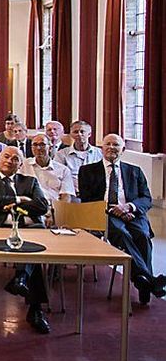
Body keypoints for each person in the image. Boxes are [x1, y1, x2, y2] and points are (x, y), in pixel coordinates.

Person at [78, 134, 164, 304]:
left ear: (123, 150)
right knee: (121, 234)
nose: (111, 147)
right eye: (107, 144)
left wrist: (129, 207)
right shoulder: (87, 171)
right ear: (101, 148)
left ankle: (142, 281)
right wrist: (113, 209)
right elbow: (87, 199)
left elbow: (146, 198)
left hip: (132, 213)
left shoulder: (135, 170)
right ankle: (147, 280)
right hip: (104, 213)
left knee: (143, 236)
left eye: (116, 145)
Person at [0, 147, 51, 334]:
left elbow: (42, 206)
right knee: (33, 255)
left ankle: (22, 281)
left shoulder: (30, 182)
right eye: (6, 157)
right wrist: (20, 199)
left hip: (30, 228)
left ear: (20, 163)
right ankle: (34, 305)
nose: (9, 161)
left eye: (15, 158)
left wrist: (2, 201)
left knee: (33, 243)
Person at [19, 134, 74, 204]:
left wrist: (59, 211)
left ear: (50, 148)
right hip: (30, 207)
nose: (38, 148)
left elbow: (66, 196)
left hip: (53, 208)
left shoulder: (63, 170)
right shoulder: (23, 166)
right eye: (35, 145)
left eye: (42, 144)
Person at [54, 120, 103, 185]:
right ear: (71, 134)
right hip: (71, 191)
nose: (79, 134)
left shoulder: (100, 153)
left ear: (89, 134)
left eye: (82, 131)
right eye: (75, 132)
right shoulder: (61, 154)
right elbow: (57, 175)